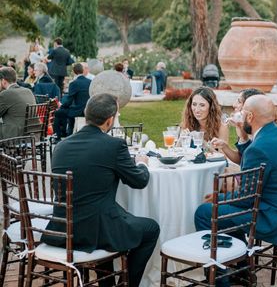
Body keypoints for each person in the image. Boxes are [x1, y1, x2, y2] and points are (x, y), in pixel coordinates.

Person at [42, 93, 159, 287]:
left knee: (112, 214)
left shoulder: (61, 146)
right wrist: (142, 163)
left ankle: (108, 284)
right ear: (110, 120)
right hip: (96, 231)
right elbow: (139, 181)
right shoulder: (113, 146)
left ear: (87, 115)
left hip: (63, 228)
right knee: (151, 229)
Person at [194, 95, 277, 246]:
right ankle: (241, 261)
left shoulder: (259, 148)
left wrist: (218, 198)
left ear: (250, 116)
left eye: (243, 112)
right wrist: (241, 133)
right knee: (229, 208)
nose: (240, 115)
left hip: (275, 217)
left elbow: (247, 198)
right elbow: (256, 158)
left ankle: (223, 267)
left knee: (204, 212)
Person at [211, 88, 264, 165]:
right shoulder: (244, 126)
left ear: (250, 106)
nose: (234, 105)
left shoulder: (258, 133)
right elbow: (241, 159)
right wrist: (224, 146)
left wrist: (243, 137)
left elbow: (248, 164)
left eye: (239, 101)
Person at [53, 63, 91, 139]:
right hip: (88, 109)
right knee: (68, 113)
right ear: (83, 71)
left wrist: (61, 106)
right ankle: (69, 133)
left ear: (74, 72)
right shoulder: (90, 81)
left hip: (78, 110)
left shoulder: (74, 83)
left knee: (57, 113)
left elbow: (69, 101)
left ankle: (59, 137)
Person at [0, 67, 36, 140]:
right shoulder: (28, 91)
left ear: (3, 81)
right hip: (33, 134)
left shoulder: (6, 94)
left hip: (15, 136)